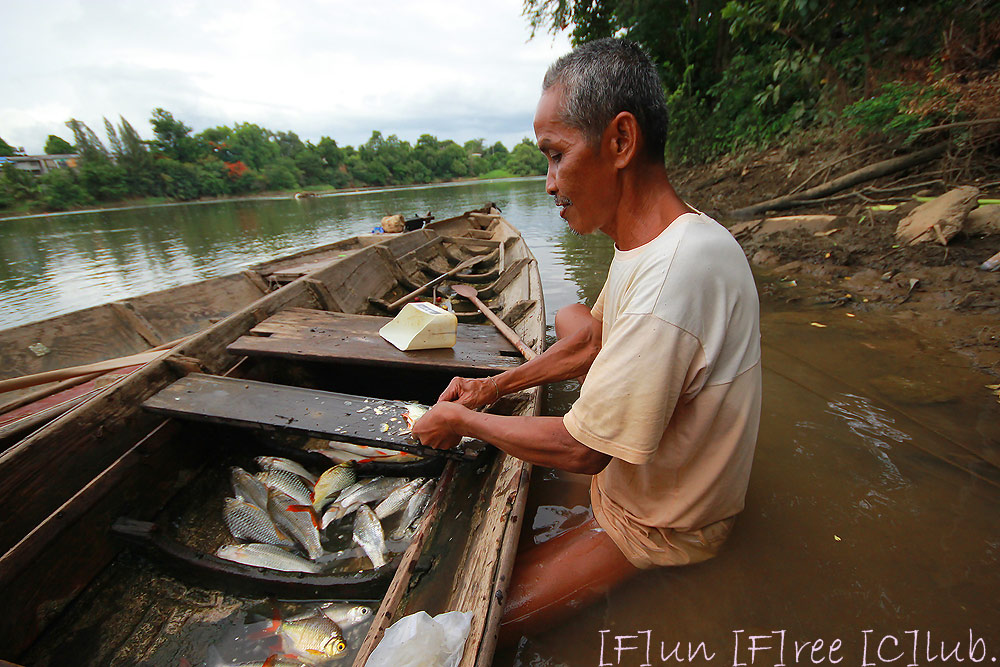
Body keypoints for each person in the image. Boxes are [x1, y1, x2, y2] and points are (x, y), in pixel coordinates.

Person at [412, 37, 761, 642]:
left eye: (556, 155)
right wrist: (491, 389)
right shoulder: (650, 243)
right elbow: (588, 343)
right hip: (623, 483)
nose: (549, 183)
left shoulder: (676, 273)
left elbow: (584, 451)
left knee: (467, 633)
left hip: (662, 526)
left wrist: (462, 424)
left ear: (620, 142)